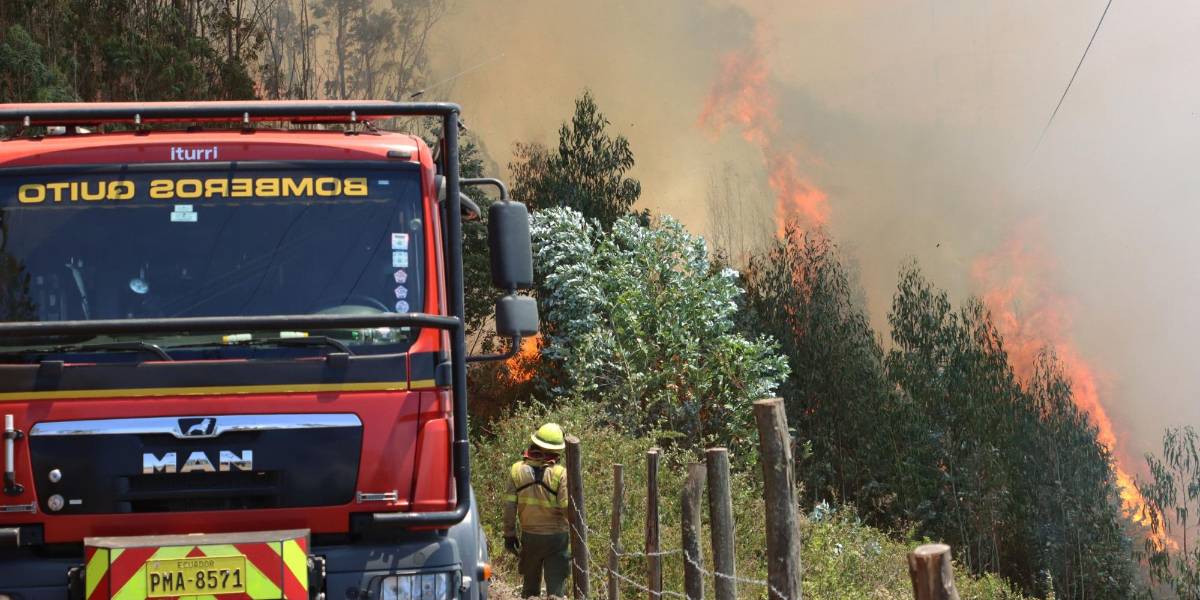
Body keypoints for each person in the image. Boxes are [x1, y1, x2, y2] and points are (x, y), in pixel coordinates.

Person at [503, 422, 570, 599]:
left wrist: (509, 534)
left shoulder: (517, 470)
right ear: (558, 450)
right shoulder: (561, 474)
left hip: (529, 537)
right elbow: (567, 509)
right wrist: (578, 536)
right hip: (557, 540)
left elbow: (510, 507)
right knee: (556, 591)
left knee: (530, 589)